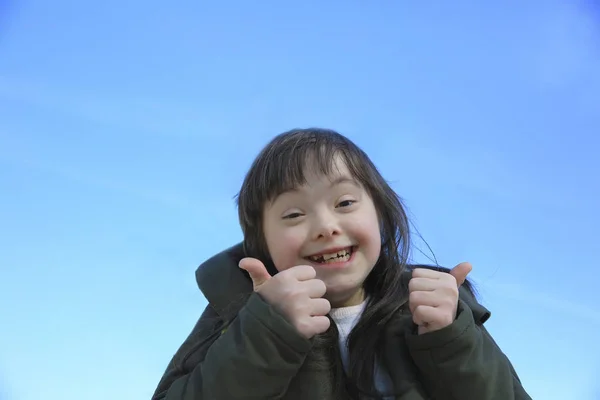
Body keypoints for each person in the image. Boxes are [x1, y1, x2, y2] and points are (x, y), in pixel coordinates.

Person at [151, 128, 531, 399]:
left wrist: (451, 342)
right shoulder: (240, 314)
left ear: (381, 214)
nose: (325, 227)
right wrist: (267, 332)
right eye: (294, 214)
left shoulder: (437, 311)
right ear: (261, 243)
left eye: (345, 203)